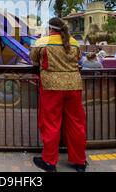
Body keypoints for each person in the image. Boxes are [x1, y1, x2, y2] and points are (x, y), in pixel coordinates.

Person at [30, 17, 87, 172]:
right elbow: (79, 59)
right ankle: (79, 161)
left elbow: (33, 60)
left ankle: (49, 161)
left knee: (51, 123)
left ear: (50, 29)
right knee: (76, 124)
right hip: (74, 86)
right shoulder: (74, 42)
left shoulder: (42, 42)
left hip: (51, 87)